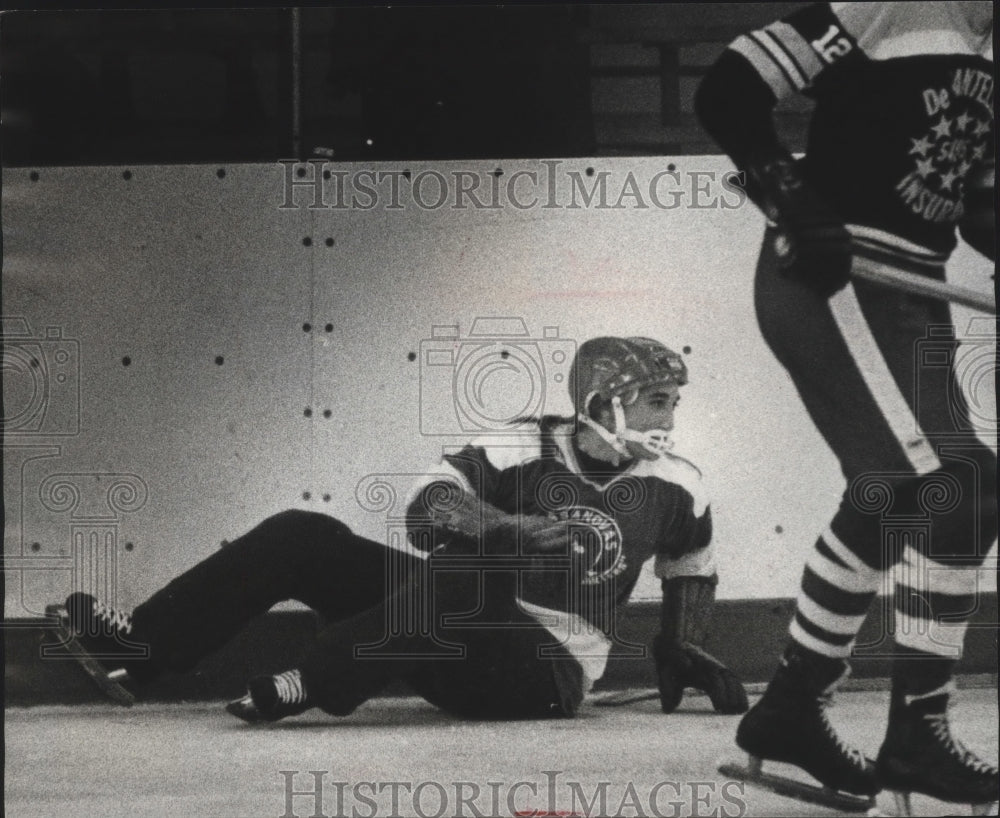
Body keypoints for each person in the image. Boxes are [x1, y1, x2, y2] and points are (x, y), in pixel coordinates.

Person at [51, 336, 748, 723]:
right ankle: (140, 650)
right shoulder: (518, 446)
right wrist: (506, 526)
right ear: (603, 403)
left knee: (468, 575)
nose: (671, 420)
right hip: (444, 620)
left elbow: (692, 568)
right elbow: (426, 510)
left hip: (544, 674)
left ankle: (312, 681)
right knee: (304, 531)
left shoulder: (679, 482)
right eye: (657, 403)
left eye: (673, 403)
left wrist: (683, 647)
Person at [695, 1, 997, 813]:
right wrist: (789, 195)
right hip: (834, 273)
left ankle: (791, 706)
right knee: (964, 486)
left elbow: (977, 209)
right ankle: (916, 737)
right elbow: (728, 90)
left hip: (910, 292)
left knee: (889, 491)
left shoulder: (986, 37)